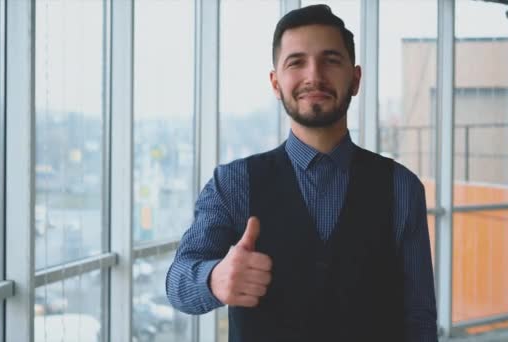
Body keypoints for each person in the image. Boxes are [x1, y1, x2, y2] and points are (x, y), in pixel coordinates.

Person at [166, 4, 437, 341]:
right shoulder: (234, 183)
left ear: (355, 79)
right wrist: (214, 279)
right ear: (276, 82)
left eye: (331, 60)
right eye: (296, 62)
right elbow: (178, 280)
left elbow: (419, 315)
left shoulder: (401, 187)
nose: (314, 76)